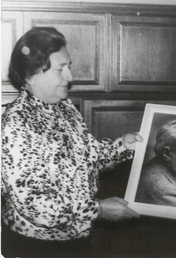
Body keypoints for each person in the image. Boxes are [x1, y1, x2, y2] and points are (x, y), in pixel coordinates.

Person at [1, 27, 143, 258]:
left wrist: (122, 146)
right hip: (35, 246)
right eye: (60, 69)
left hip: (76, 239)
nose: (70, 76)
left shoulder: (65, 108)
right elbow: (35, 204)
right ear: (30, 76)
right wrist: (98, 210)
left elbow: (88, 157)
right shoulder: (16, 123)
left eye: (69, 66)